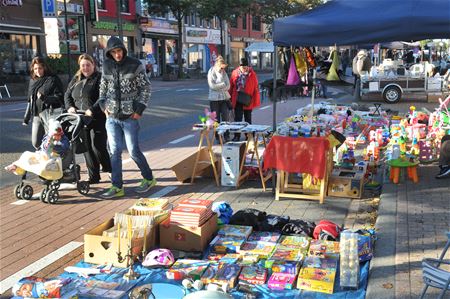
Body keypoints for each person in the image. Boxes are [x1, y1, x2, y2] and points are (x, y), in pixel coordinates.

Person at [88, 36, 155, 199]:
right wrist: (103, 106)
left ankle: (148, 178)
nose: (117, 55)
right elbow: (102, 87)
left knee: (133, 151)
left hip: (130, 116)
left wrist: (139, 110)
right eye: (113, 52)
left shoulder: (135, 65)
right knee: (114, 151)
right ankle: (117, 186)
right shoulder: (107, 65)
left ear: (123, 50)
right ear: (109, 53)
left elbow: (145, 88)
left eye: (119, 51)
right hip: (111, 117)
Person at [64, 54, 111, 184]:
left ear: (93, 65)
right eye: (83, 65)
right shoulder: (76, 79)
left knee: (98, 146)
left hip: (97, 118)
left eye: (88, 65)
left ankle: (109, 168)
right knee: (86, 148)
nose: (86, 68)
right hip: (80, 118)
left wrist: (92, 109)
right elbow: (67, 95)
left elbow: (103, 97)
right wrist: (70, 107)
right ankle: (94, 176)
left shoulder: (99, 78)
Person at [23, 57, 64, 149]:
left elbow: (60, 97)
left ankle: (50, 160)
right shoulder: (33, 81)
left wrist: (44, 98)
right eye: (35, 68)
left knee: (51, 142)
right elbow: (30, 100)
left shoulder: (53, 79)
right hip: (37, 114)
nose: (38, 71)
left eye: (40, 68)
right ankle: (44, 154)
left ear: (45, 67)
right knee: (36, 142)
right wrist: (26, 117)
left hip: (50, 114)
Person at [229, 57, 261, 141]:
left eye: (246, 67)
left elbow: (256, 88)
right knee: (238, 119)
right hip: (238, 99)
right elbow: (231, 87)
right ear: (239, 66)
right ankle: (237, 136)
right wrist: (229, 98)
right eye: (243, 67)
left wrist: (255, 100)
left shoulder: (252, 74)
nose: (245, 69)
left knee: (248, 119)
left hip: (248, 100)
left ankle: (249, 135)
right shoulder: (234, 73)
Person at [207, 55, 231, 142]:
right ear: (218, 65)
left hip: (224, 98)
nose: (222, 69)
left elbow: (228, 86)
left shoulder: (224, 73)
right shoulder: (211, 71)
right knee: (216, 119)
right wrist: (222, 85)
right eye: (221, 67)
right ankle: (217, 137)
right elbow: (212, 86)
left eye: (223, 67)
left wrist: (222, 86)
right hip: (214, 99)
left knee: (226, 117)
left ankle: (226, 135)